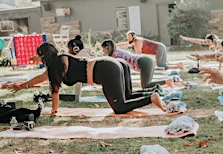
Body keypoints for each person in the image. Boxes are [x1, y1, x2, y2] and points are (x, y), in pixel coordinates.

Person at [8, 43, 166, 115]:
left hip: (105, 69)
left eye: (40, 58)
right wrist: (22, 86)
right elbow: (41, 77)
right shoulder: (59, 61)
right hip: (111, 65)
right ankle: (152, 92)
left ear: (45, 58)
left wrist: (54, 112)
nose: (39, 61)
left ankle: (151, 98)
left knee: (119, 108)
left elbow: (54, 89)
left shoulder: (60, 64)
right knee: (128, 96)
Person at [101, 39, 168, 89]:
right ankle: (165, 84)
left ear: (107, 48)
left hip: (143, 62)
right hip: (146, 61)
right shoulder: (116, 52)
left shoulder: (115, 55)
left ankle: (167, 82)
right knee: (147, 85)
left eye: (103, 49)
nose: (102, 51)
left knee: (145, 86)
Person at [117, 31, 183, 70]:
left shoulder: (137, 42)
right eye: (127, 37)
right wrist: (115, 45)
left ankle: (178, 66)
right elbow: (126, 44)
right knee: (164, 63)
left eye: (129, 37)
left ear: (133, 36)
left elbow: (138, 56)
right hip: (160, 47)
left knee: (161, 66)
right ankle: (179, 64)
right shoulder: (135, 41)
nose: (128, 38)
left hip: (159, 48)